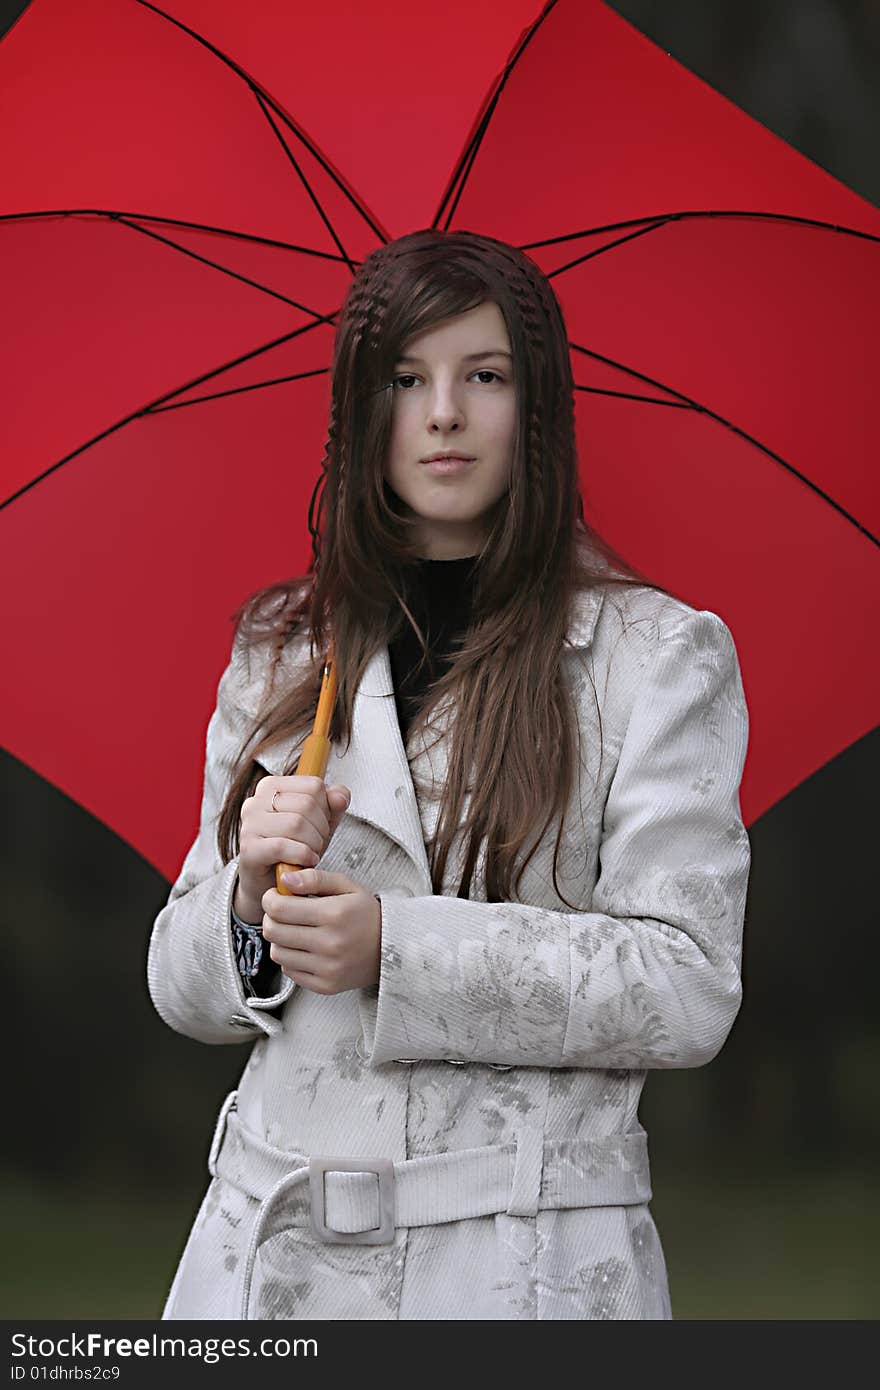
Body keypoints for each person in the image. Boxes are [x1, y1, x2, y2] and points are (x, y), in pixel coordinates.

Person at [147, 228, 751, 1321]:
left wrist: (396, 946)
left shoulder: (654, 659)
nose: (441, 414)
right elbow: (181, 988)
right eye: (405, 378)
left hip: (526, 1268)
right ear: (359, 410)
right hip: (266, 1269)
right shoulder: (284, 651)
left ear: (539, 408)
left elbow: (686, 982)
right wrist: (245, 894)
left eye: (484, 376)